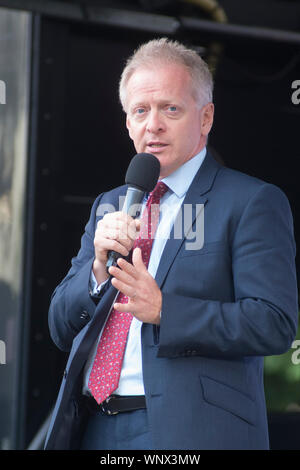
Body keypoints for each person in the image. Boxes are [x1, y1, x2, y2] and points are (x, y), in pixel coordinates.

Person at [44, 38, 298, 450]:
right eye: (141, 111)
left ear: (206, 117)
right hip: (92, 425)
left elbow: (274, 325)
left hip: (188, 431)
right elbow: (59, 326)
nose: (153, 124)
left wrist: (165, 311)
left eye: (171, 109)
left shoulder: (251, 201)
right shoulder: (109, 204)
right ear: (128, 123)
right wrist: (95, 269)